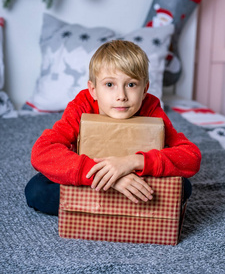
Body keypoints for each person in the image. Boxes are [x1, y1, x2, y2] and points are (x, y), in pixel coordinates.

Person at [25, 40, 201, 216]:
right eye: (110, 85)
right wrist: (110, 177)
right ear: (93, 90)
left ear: (145, 90)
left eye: (131, 85)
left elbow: (190, 156)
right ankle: (129, 206)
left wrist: (132, 162)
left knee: (183, 187)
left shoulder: (150, 107)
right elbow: (42, 152)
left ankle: (102, 205)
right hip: (92, 177)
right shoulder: (81, 106)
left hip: (137, 177)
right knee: (36, 190)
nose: (121, 96)